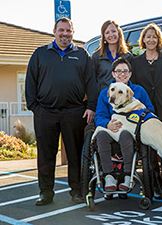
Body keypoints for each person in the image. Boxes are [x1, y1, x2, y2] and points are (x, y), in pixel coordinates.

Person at [25, 17, 98, 206]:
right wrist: (35, 107)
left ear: (73, 33)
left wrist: (90, 106)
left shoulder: (82, 55)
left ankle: (77, 191)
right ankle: (45, 192)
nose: (65, 34)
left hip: (74, 112)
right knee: (46, 154)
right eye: (61, 30)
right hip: (45, 112)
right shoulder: (40, 54)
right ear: (54, 31)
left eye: (68, 31)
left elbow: (91, 83)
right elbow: (30, 82)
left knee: (75, 155)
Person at [131, 23, 162, 199]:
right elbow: (134, 89)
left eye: (154, 36)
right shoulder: (135, 62)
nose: (151, 39)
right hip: (146, 116)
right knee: (150, 155)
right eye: (148, 36)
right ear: (143, 40)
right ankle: (156, 186)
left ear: (159, 40)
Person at [94, 57, 154, 192]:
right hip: (111, 129)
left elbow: (149, 111)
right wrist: (107, 124)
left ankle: (128, 176)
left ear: (130, 74)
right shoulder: (106, 93)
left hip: (130, 131)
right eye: (119, 71)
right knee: (101, 135)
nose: (122, 74)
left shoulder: (138, 91)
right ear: (113, 74)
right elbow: (99, 115)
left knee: (125, 135)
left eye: (125, 71)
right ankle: (108, 175)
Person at [92, 20, 132, 93]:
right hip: (104, 98)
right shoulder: (97, 56)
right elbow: (92, 81)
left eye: (113, 31)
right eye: (107, 33)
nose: (111, 35)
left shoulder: (128, 56)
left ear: (119, 33)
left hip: (123, 99)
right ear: (104, 37)